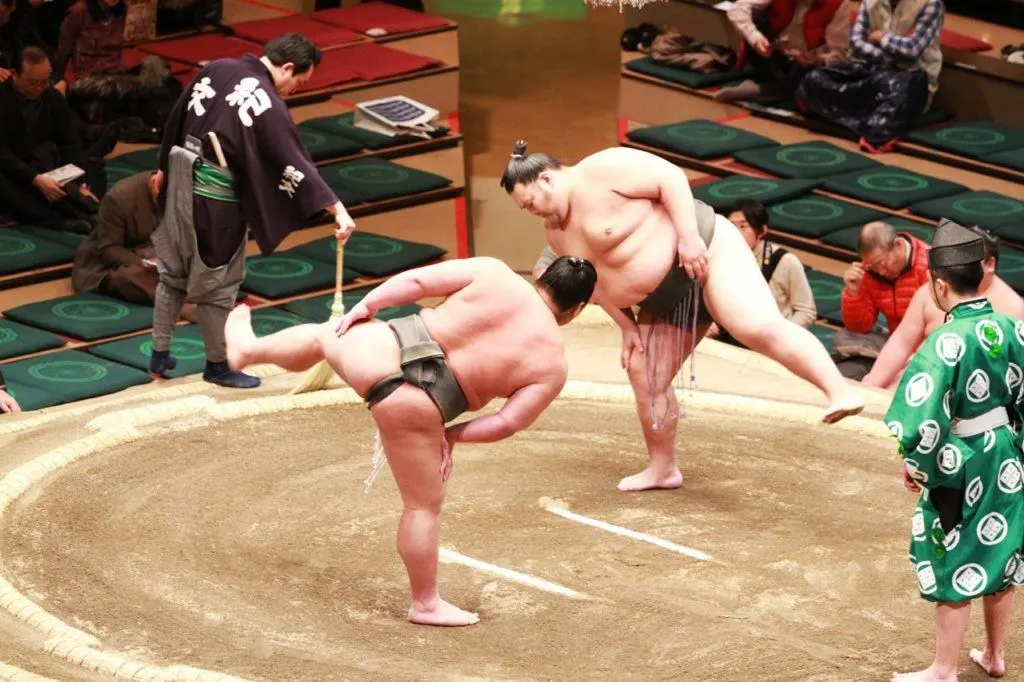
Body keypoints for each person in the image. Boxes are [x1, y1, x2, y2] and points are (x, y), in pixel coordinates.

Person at [223, 255, 597, 626]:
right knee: (422, 507)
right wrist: (449, 436)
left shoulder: (494, 273)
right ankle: (426, 603)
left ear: (542, 275)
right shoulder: (551, 363)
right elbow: (507, 422)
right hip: (417, 406)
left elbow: (415, 283)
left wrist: (366, 306)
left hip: (378, 349)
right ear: (577, 309)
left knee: (328, 334)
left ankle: (249, 351)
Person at [502, 141, 864, 492]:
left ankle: (838, 391)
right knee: (643, 373)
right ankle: (663, 468)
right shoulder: (557, 232)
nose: (533, 211)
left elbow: (670, 178)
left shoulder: (602, 169)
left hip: (708, 251)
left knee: (754, 326)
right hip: (664, 299)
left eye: (530, 202)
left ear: (546, 179)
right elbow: (595, 283)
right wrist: (628, 326)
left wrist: (689, 237)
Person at [152, 33, 356, 389]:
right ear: (287, 67)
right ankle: (217, 365)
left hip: (179, 183)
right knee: (220, 284)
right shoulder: (266, 101)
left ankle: (158, 354)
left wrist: (163, 167)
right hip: (213, 198)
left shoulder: (217, 68)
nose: (295, 89)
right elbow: (292, 158)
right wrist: (336, 207)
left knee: (172, 274)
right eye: (299, 81)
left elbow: (178, 115)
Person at [884, 218, 1024, 682]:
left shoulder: (943, 342)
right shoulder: (1012, 328)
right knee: (999, 551)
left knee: (952, 554)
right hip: (1004, 454)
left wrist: (918, 468)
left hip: (961, 458)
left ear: (940, 285)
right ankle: (995, 655)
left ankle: (944, 668)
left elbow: (920, 423)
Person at [864, 227, 1024, 390]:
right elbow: (902, 341)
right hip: (920, 370)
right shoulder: (932, 290)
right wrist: (872, 386)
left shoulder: (1013, 309)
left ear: (990, 264)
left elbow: (1000, 371)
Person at [795, 0, 944, 151]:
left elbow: (911, 50)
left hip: (909, 79)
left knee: (902, 91)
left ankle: (870, 126)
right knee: (814, 78)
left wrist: (881, 38)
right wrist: (890, 55)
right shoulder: (870, 2)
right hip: (872, 72)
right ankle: (868, 119)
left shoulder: (930, 4)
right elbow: (856, 44)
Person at [71, 168, 198, 320]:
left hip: (156, 251)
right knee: (129, 277)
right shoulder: (119, 197)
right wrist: (145, 263)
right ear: (156, 185)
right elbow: (108, 250)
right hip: (114, 262)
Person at [0, 45, 100, 232]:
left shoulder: (52, 97)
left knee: (92, 168)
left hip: (44, 163)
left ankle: (81, 205)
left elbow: (70, 142)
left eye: (45, 81)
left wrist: (80, 182)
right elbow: (2, 154)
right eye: (33, 83)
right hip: (13, 168)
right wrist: (35, 179)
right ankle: (58, 219)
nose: (40, 88)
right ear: (14, 74)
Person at [707, 199, 816, 343]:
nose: (736, 232)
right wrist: (706, 323)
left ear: (762, 231)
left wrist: (781, 336)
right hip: (727, 338)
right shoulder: (716, 256)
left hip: (770, 344)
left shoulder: (785, 261)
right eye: (732, 226)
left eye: (743, 226)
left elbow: (806, 312)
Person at [716, 0, 851, 103]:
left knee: (811, 80)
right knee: (756, 16)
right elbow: (737, 9)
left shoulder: (839, 4)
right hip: (772, 52)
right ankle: (765, 84)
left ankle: (757, 89)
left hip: (804, 64)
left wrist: (819, 60)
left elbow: (838, 53)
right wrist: (756, 38)